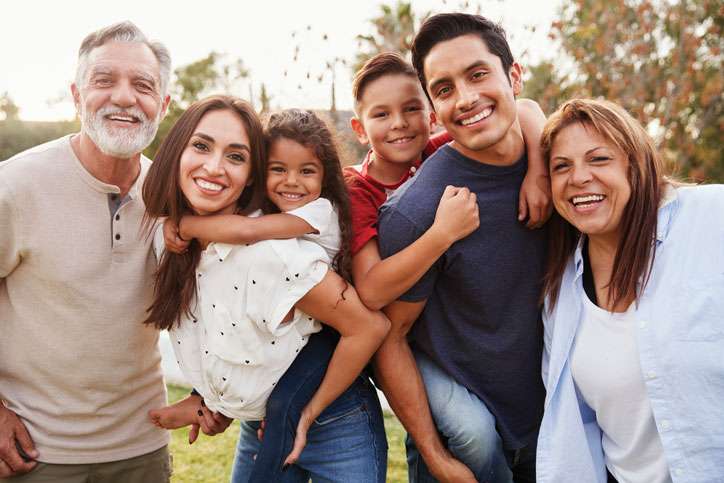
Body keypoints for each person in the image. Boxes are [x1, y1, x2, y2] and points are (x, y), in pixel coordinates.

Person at [143, 100, 390, 482]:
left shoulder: (277, 251)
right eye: (201, 146)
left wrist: (307, 414)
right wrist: (216, 401)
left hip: (335, 418)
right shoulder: (176, 241)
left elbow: (368, 326)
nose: (214, 166)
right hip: (260, 413)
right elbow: (230, 331)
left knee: (287, 410)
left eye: (235, 156)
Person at [374, 13, 551, 483]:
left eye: (477, 75)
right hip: (466, 451)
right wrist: (435, 455)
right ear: (433, 108)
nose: (467, 98)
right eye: (445, 88)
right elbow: (390, 338)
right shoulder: (418, 213)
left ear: (513, 76)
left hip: (558, 432)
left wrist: (541, 167)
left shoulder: (562, 168)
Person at [0, 21, 178, 482]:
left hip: (143, 449)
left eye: (142, 85)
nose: (123, 97)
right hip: (35, 453)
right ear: (77, 96)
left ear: (163, 105)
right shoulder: (14, 187)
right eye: (104, 81)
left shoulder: (174, 199)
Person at [536, 98, 724, 483]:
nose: (579, 177)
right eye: (562, 167)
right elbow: (578, 432)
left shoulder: (711, 218)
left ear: (635, 167)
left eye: (599, 159)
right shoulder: (560, 298)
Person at [345, 51, 549, 312]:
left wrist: (538, 172)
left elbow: (524, 107)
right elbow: (371, 292)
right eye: (382, 115)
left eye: (411, 109)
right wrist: (443, 233)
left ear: (432, 118)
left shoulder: (434, 154)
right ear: (360, 130)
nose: (399, 123)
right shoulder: (356, 188)